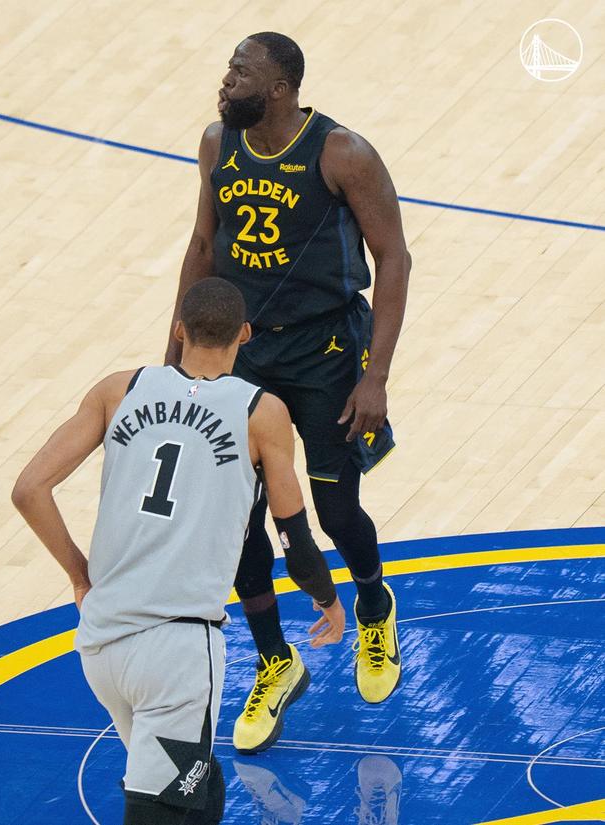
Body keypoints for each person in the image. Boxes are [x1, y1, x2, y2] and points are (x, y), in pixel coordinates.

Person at [12, 277, 345, 825]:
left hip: (101, 644)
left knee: (199, 782)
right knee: (161, 809)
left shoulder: (118, 390)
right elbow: (293, 534)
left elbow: (28, 490)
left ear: (179, 330)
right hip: (177, 651)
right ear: (245, 334)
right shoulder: (260, 412)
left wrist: (79, 576)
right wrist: (326, 597)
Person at [165, 31, 412, 755]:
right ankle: (276, 658)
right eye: (228, 68)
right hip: (245, 348)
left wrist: (376, 374)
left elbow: (394, 257)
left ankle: (373, 603)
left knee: (335, 509)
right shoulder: (217, 144)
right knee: (237, 514)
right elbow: (203, 246)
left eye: (241, 72)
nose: (226, 81)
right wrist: (178, 347)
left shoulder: (342, 154)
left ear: (279, 88)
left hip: (327, 349)